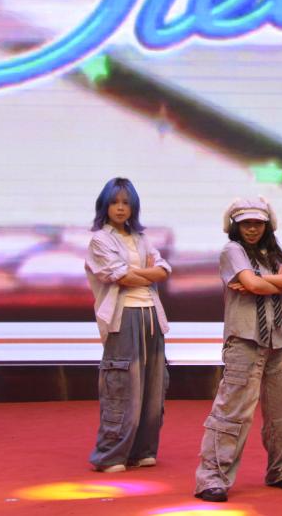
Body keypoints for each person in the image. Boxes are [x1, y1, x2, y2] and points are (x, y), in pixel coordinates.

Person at [195, 197, 282, 503]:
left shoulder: (273, 254)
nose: (252, 229)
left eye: (257, 223)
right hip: (244, 341)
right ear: (235, 226)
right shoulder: (232, 251)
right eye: (246, 224)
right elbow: (254, 285)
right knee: (233, 412)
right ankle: (211, 478)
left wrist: (262, 280)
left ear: (267, 225)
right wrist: (278, 282)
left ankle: (281, 469)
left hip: (277, 342)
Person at [85, 177, 171, 472]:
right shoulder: (100, 239)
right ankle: (110, 455)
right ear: (104, 206)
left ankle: (142, 450)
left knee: (153, 386)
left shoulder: (142, 238)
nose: (120, 208)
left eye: (125, 203)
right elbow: (119, 276)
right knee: (122, 385)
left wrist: (138, 273)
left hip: (152, 315)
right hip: (123, 316)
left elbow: (164, 269)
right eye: (114, 202)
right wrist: (145, 272)